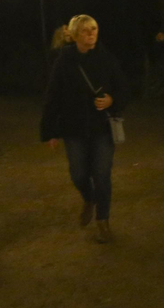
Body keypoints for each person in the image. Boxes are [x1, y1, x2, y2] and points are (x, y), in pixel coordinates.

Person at [41, 14, 131, 243]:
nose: (91, 33)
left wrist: (112, 100)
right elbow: (53, 96)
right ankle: (88, 198)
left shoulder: (106, 59)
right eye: (85, 30)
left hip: (102, 128)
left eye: (94, 29)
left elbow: (124, 89)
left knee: (102, 175)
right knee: (78, 174)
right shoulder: (63, 61)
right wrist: (50, 130)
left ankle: (103, 220)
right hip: (74, 129)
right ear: (74, 35)